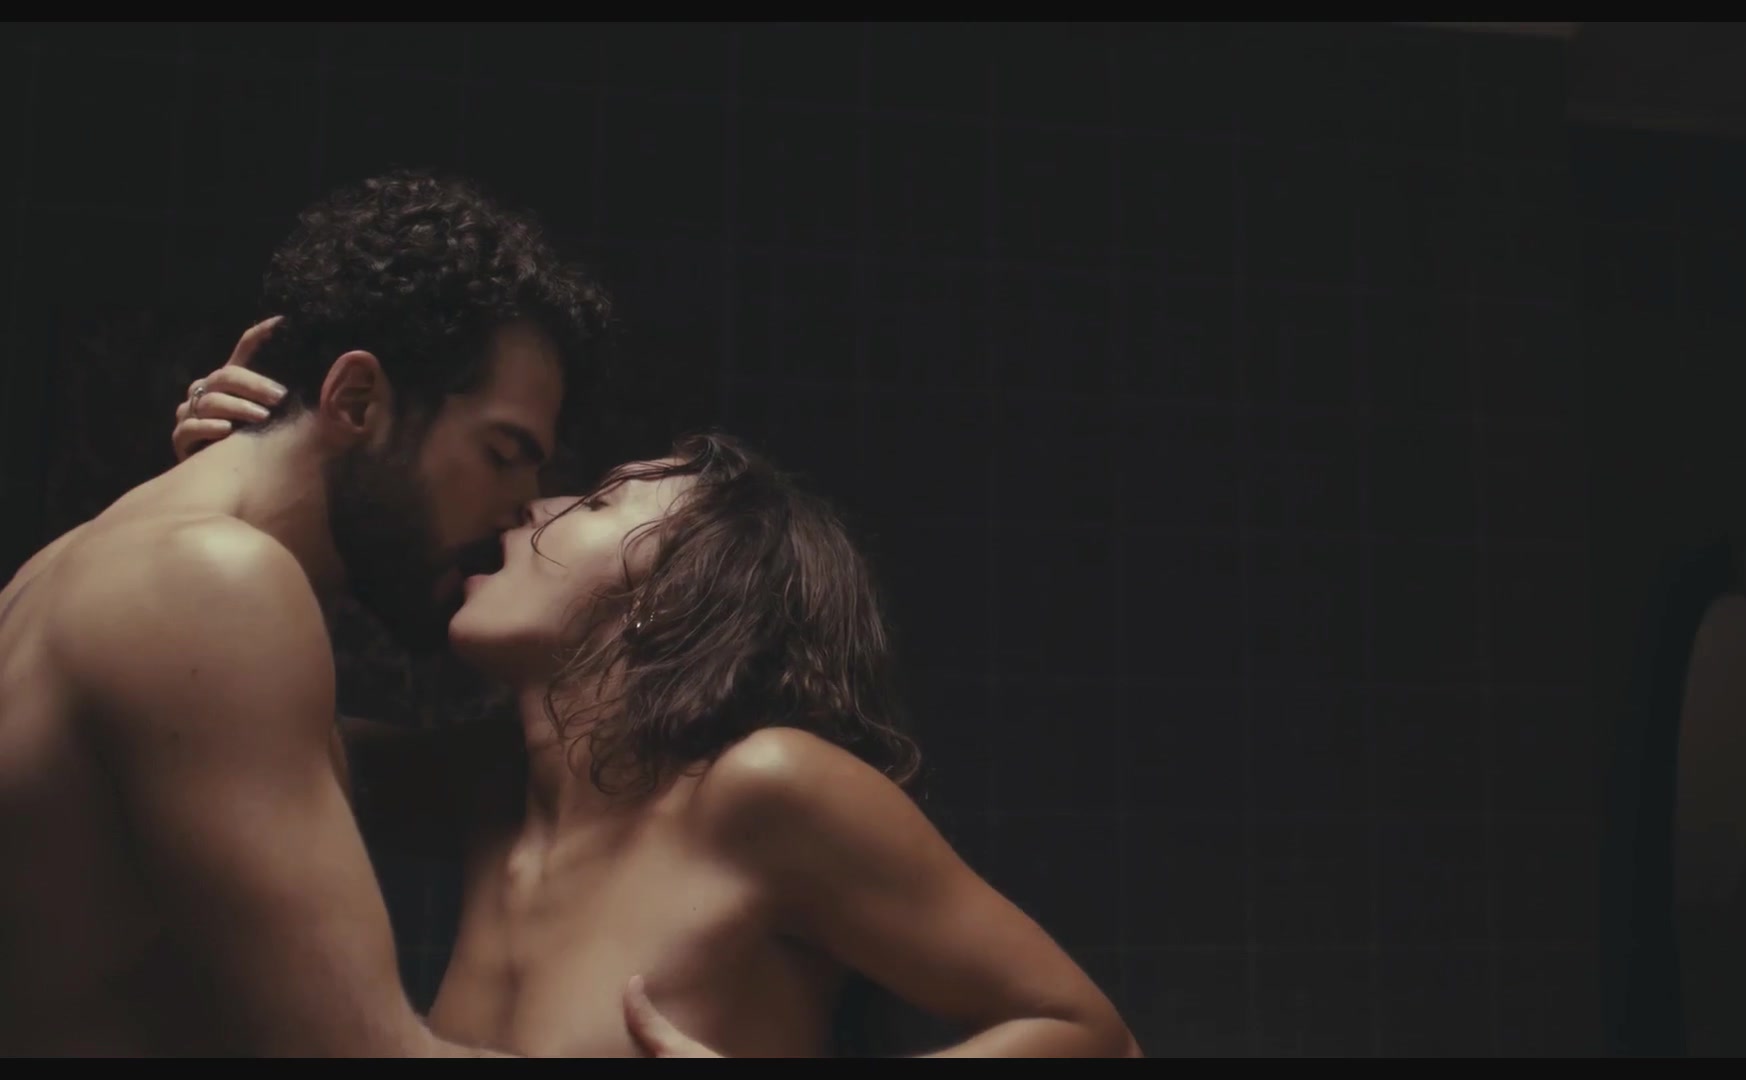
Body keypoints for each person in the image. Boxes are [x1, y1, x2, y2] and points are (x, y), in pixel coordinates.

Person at [170, 355, 1145, 1058]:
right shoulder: (489, 791)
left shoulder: (762, 789)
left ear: (671, 597)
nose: (531, 508)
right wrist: (236, 485)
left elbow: (1088, 1035)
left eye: (595, 503)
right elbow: (191, 734)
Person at [0, 169, 640, 1056]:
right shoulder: (208, 583)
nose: (521, 508)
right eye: (503, 453)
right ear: (358, 401)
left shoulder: (98, 563)